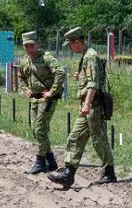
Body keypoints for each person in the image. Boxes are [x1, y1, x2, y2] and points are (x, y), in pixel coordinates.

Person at [47, 27, 117, 187]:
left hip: (93, 106)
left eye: (70, 45)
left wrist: (86, 104)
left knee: (99, 140)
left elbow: (94, 84)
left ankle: (109, 172)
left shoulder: (90, 56)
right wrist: (81, 77)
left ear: (77, 42)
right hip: (88, 106)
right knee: (75, 137)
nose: (70, 48)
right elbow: (91, 78)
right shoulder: (86, 56)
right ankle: (68, 173)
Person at [18, 31, 66, 174]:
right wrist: (25, 89)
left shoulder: (46, 57)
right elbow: (20, 76)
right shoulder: (25, 60)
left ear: (37, 44)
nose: (29, 48)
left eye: (31, 45)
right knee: (36, 130)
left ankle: (40, 161)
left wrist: (52, 91)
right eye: (26, 46)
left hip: (47, 99)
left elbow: (60, 72)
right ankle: (50, 160)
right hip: (35, 98)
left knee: (40, 129)